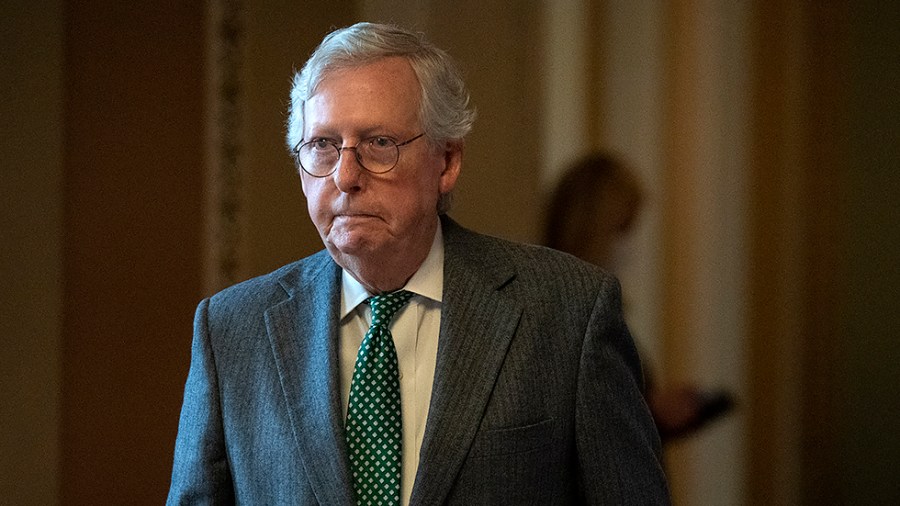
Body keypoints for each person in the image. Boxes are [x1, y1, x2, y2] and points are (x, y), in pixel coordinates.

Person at [167, 23, 669, 505]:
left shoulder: (568, 312)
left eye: (379, 144)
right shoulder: (233, 330)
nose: (345, 175)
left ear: (446, 162)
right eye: (321, 146)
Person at [545, 152, 733, 443]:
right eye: (623, 228)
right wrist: (650, 414)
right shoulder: (559, 311)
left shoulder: (600, 307)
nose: (629, 245)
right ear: (591, 227)